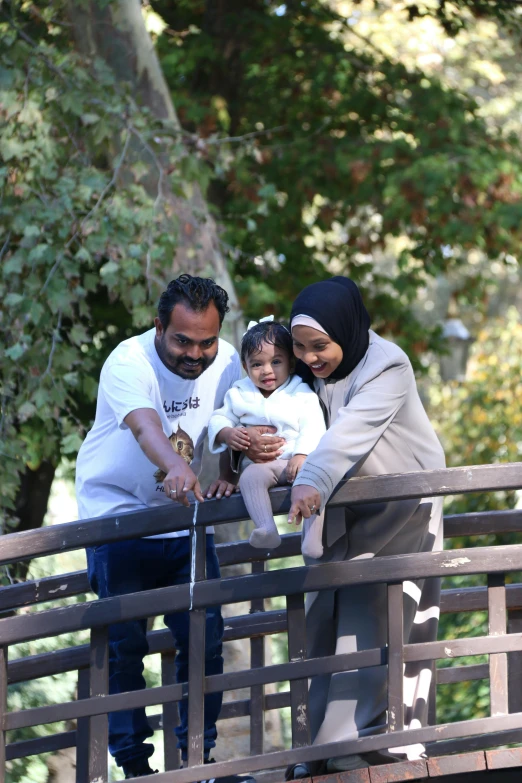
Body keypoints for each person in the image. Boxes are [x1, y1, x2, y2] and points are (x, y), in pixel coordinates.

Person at [245, 276, 445, 777]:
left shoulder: (388, 366)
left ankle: (369, 744)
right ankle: (316, 748)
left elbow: (348, 433)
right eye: (302, 348)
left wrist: (309, 477)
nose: (311, 359)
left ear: (347, 331)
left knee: (380, 617)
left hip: (403, 506)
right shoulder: (308, 371)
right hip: (341, 505)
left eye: (321, 347)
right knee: (323, 618)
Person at [75, 275, 251, 781]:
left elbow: (236, 417)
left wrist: (231, 474)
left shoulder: (230, 359)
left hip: (184, 521)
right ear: (158, 326)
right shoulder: (127, 362)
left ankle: (200, 762)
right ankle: (136, 770)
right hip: (117, 519)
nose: (195, 354)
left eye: (206, 342)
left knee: (206, 638)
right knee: (125, 647)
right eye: (182, 340)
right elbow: (145, 424)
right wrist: (174, 467)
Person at [207, 317, 326, 556]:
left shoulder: (301, 392)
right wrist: (228, 432)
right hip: (264, 467)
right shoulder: (239, 394)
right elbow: (218, 419)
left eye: (276, 361)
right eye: (257, 364)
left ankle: (312, 539)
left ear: (291, 363)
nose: (267, 371)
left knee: (317, 475)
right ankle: (266, 528)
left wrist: (302, 454)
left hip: (297, 463)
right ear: (245, 366)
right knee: (250, 476)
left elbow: (313, 425)